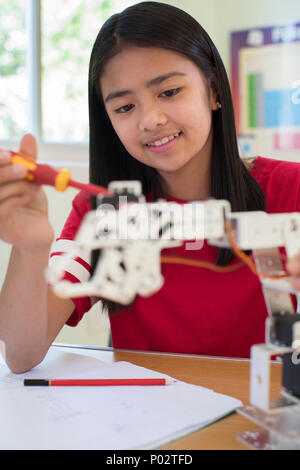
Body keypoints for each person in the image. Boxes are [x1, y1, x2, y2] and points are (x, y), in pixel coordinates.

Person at [0, 1, 300, 373]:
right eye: (125, 107)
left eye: (169, 92)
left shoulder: (291, 189)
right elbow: (21, 353)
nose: (150, 119)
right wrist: (30, 248)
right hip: (151, 421)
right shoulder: (104, 211)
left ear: (213, 90)